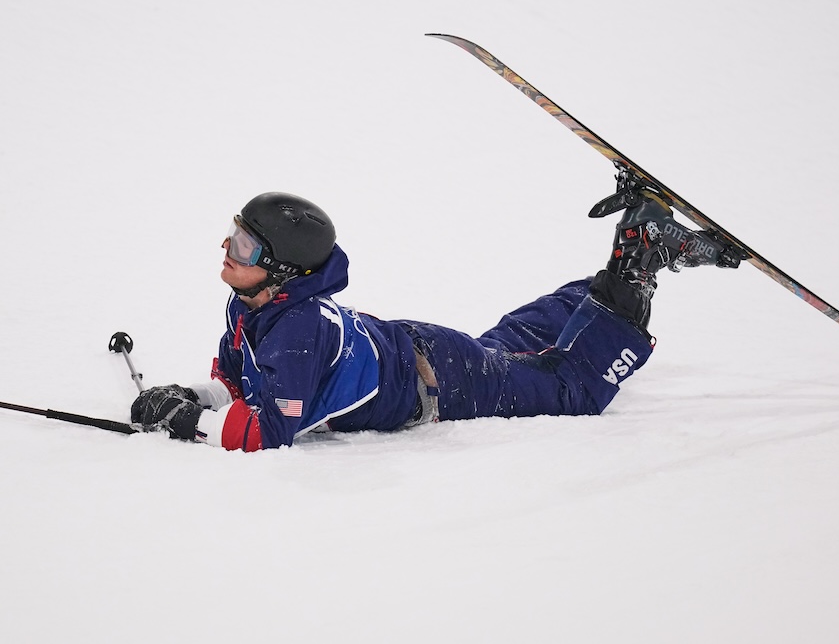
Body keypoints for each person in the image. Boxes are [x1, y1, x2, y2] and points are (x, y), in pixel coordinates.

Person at [130, 190, 732, 450]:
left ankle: (636, 264)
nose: (228, 249)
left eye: (243, 245)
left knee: (568, 389)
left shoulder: (293, 331)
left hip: (438, 380)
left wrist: (191, 424)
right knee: (510, 348)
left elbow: (268, 431)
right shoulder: (254, 306)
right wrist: (194, 396)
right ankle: (612, 271)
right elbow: (244, 385)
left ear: (281, 269)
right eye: (233, 234)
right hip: (422, 353)